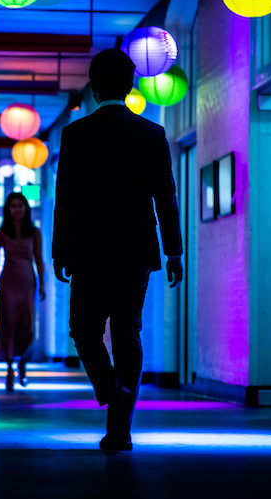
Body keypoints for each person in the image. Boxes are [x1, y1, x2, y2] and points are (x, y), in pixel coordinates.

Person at [52, 49, 183, 452]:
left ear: (92, 87)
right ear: (131, 86)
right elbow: (166, 197)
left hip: (89, 251)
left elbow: (66, 199)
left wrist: (60, 251)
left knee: (84, 330)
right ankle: (120, 428)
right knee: (128, 332)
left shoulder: (76, 134)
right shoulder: (151, 133)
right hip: (136, 250)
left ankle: (110, 387)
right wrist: (173, 251)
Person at [0, 193, 46, 392]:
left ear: (26, 208)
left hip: (28, 283)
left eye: (20, 206)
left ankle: (23, 364)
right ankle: (10, 368)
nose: (17, 209)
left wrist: (43, 286)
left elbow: (39, 259)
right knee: (8, 326)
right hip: (8, 283)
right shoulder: (3, 231)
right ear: (8, 209)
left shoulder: (34, 232)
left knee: (27, 327)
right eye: (13, 206)